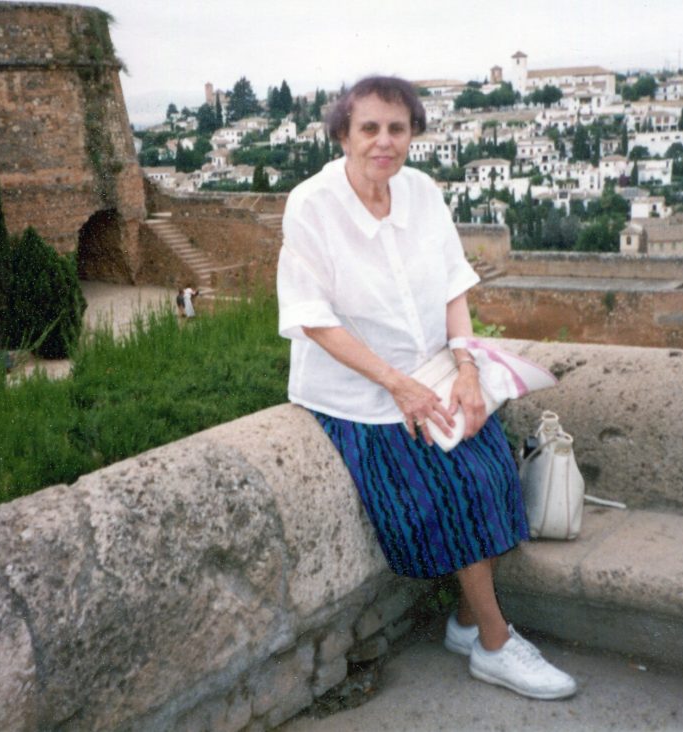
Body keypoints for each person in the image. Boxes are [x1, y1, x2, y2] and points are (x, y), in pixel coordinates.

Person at [276, 75, 576, 700]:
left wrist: (465, 368)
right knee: (451, 485)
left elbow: (451, 288)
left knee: (492, 465)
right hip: (359, 393)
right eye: (370, 128)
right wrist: (398, 387)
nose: (384, 142)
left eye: (398, 128)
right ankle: (495, 643)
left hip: (434, 373)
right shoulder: (313, 204)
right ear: (343, 134)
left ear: (412, 135)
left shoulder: (422, 192)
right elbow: (313, 318)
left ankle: (467, 622)